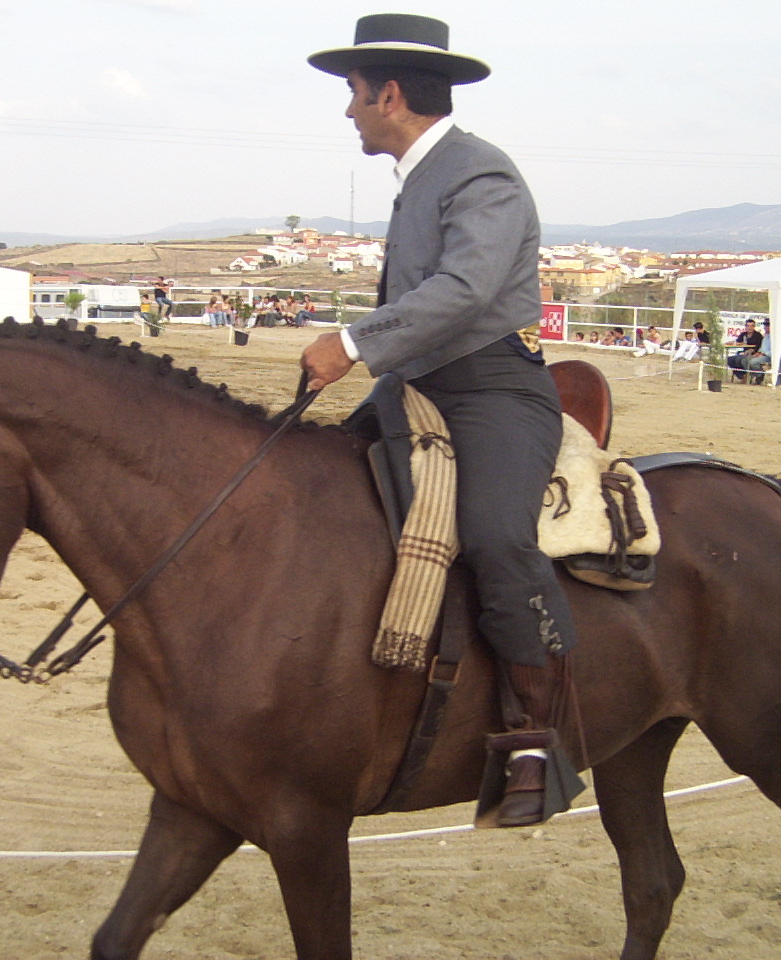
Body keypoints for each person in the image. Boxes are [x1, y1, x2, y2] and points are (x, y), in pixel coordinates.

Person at [301, 13, 582, 827]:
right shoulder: (422, 175)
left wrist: (353, 341)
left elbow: (463, 291)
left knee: (497, 536)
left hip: (493, 389)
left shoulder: (480, 174)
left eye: (353, 94)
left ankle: (538, 737)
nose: (347, 110)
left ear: (390, 93)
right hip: (417, 386)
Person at [727, 318, 764, 382]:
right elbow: (737, 342)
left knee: (741, 360)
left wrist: (752, 351)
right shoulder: (743, 334)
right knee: (730, 359)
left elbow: (759, 347)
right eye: (748, 326)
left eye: (751, 326)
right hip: (744, 353)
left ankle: (750, 376)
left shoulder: (758, 335)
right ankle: (742, 376)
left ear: (754, 327)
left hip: (754, 354)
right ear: (745, 327)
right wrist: (732, 343)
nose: (750, 328)